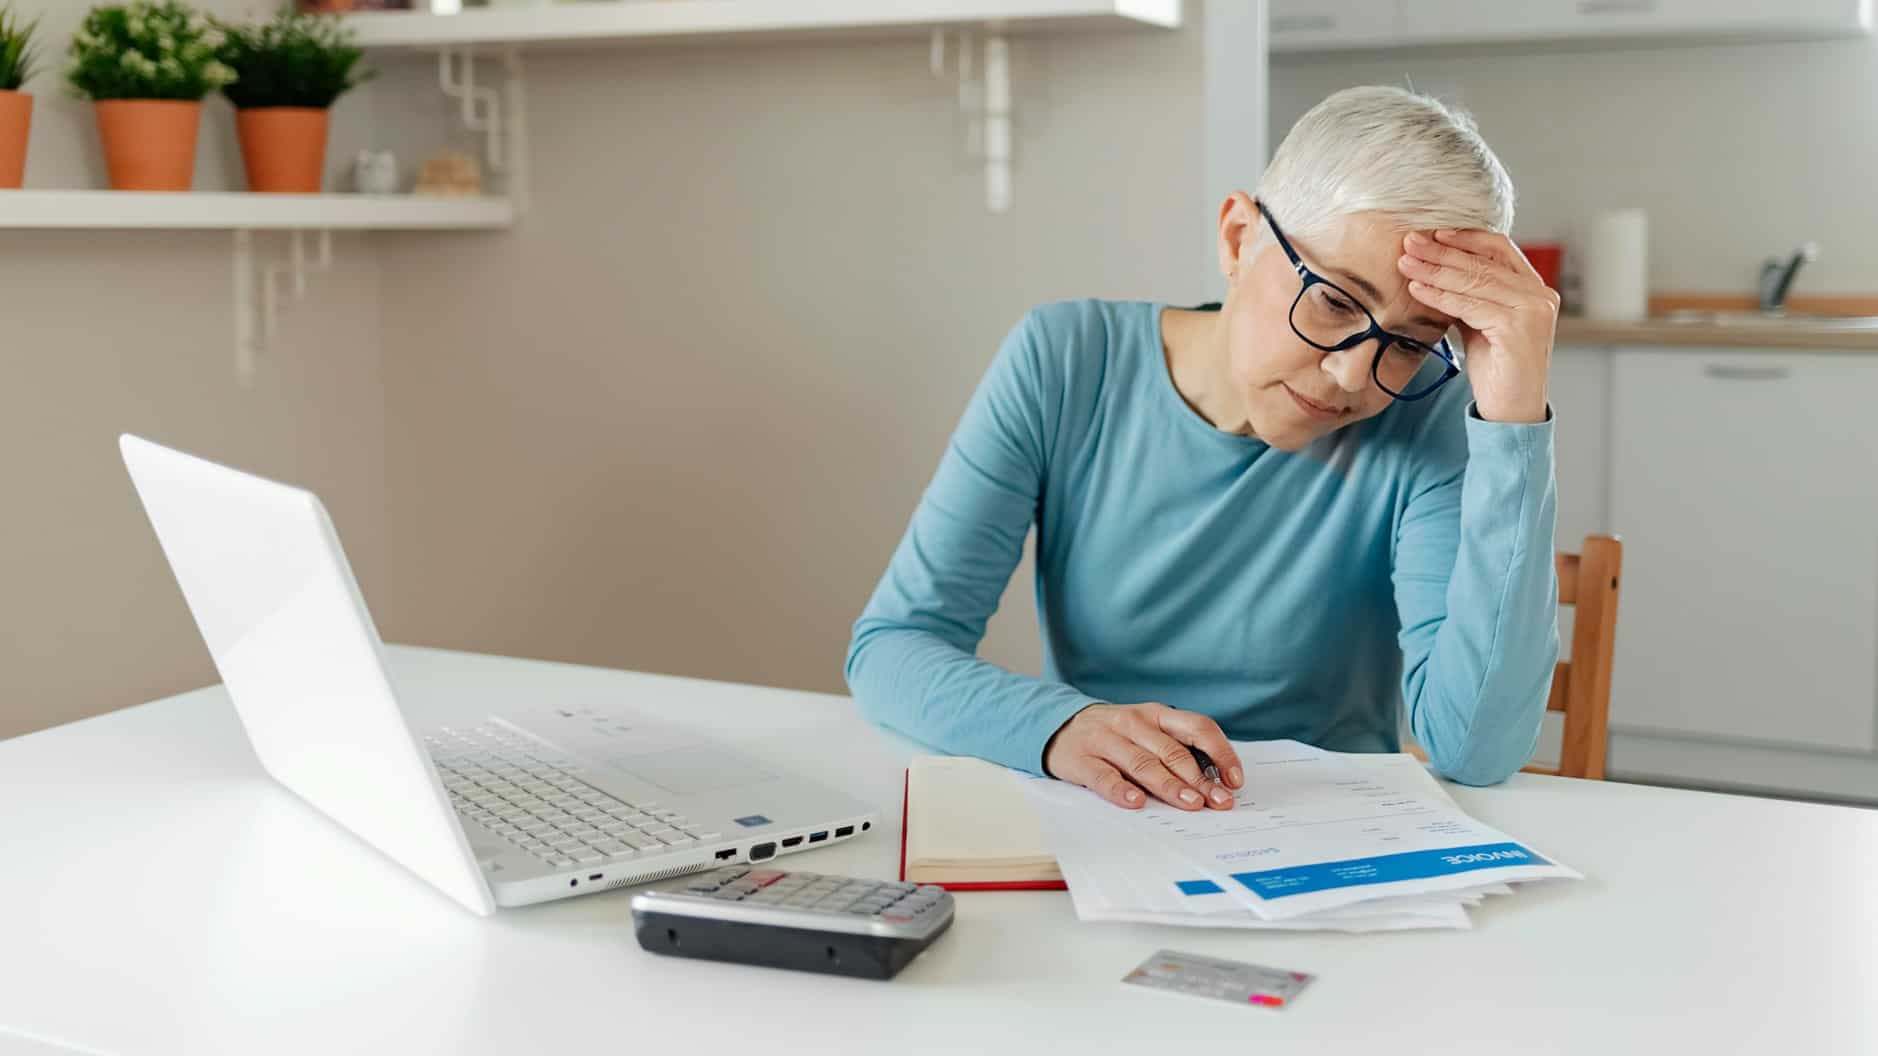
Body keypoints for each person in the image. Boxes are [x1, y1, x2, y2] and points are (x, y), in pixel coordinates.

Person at [845, 86, 1561, 814]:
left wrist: (1513, 419)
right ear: (1238, 238)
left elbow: (1476, 751)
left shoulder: (1422, 414)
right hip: (1109, 821)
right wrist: (1062, 727)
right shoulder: (1066, 361)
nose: (1353, 374)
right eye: (1335, 302)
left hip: (1333, 833)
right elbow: (892, 648)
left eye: (1409, 342)